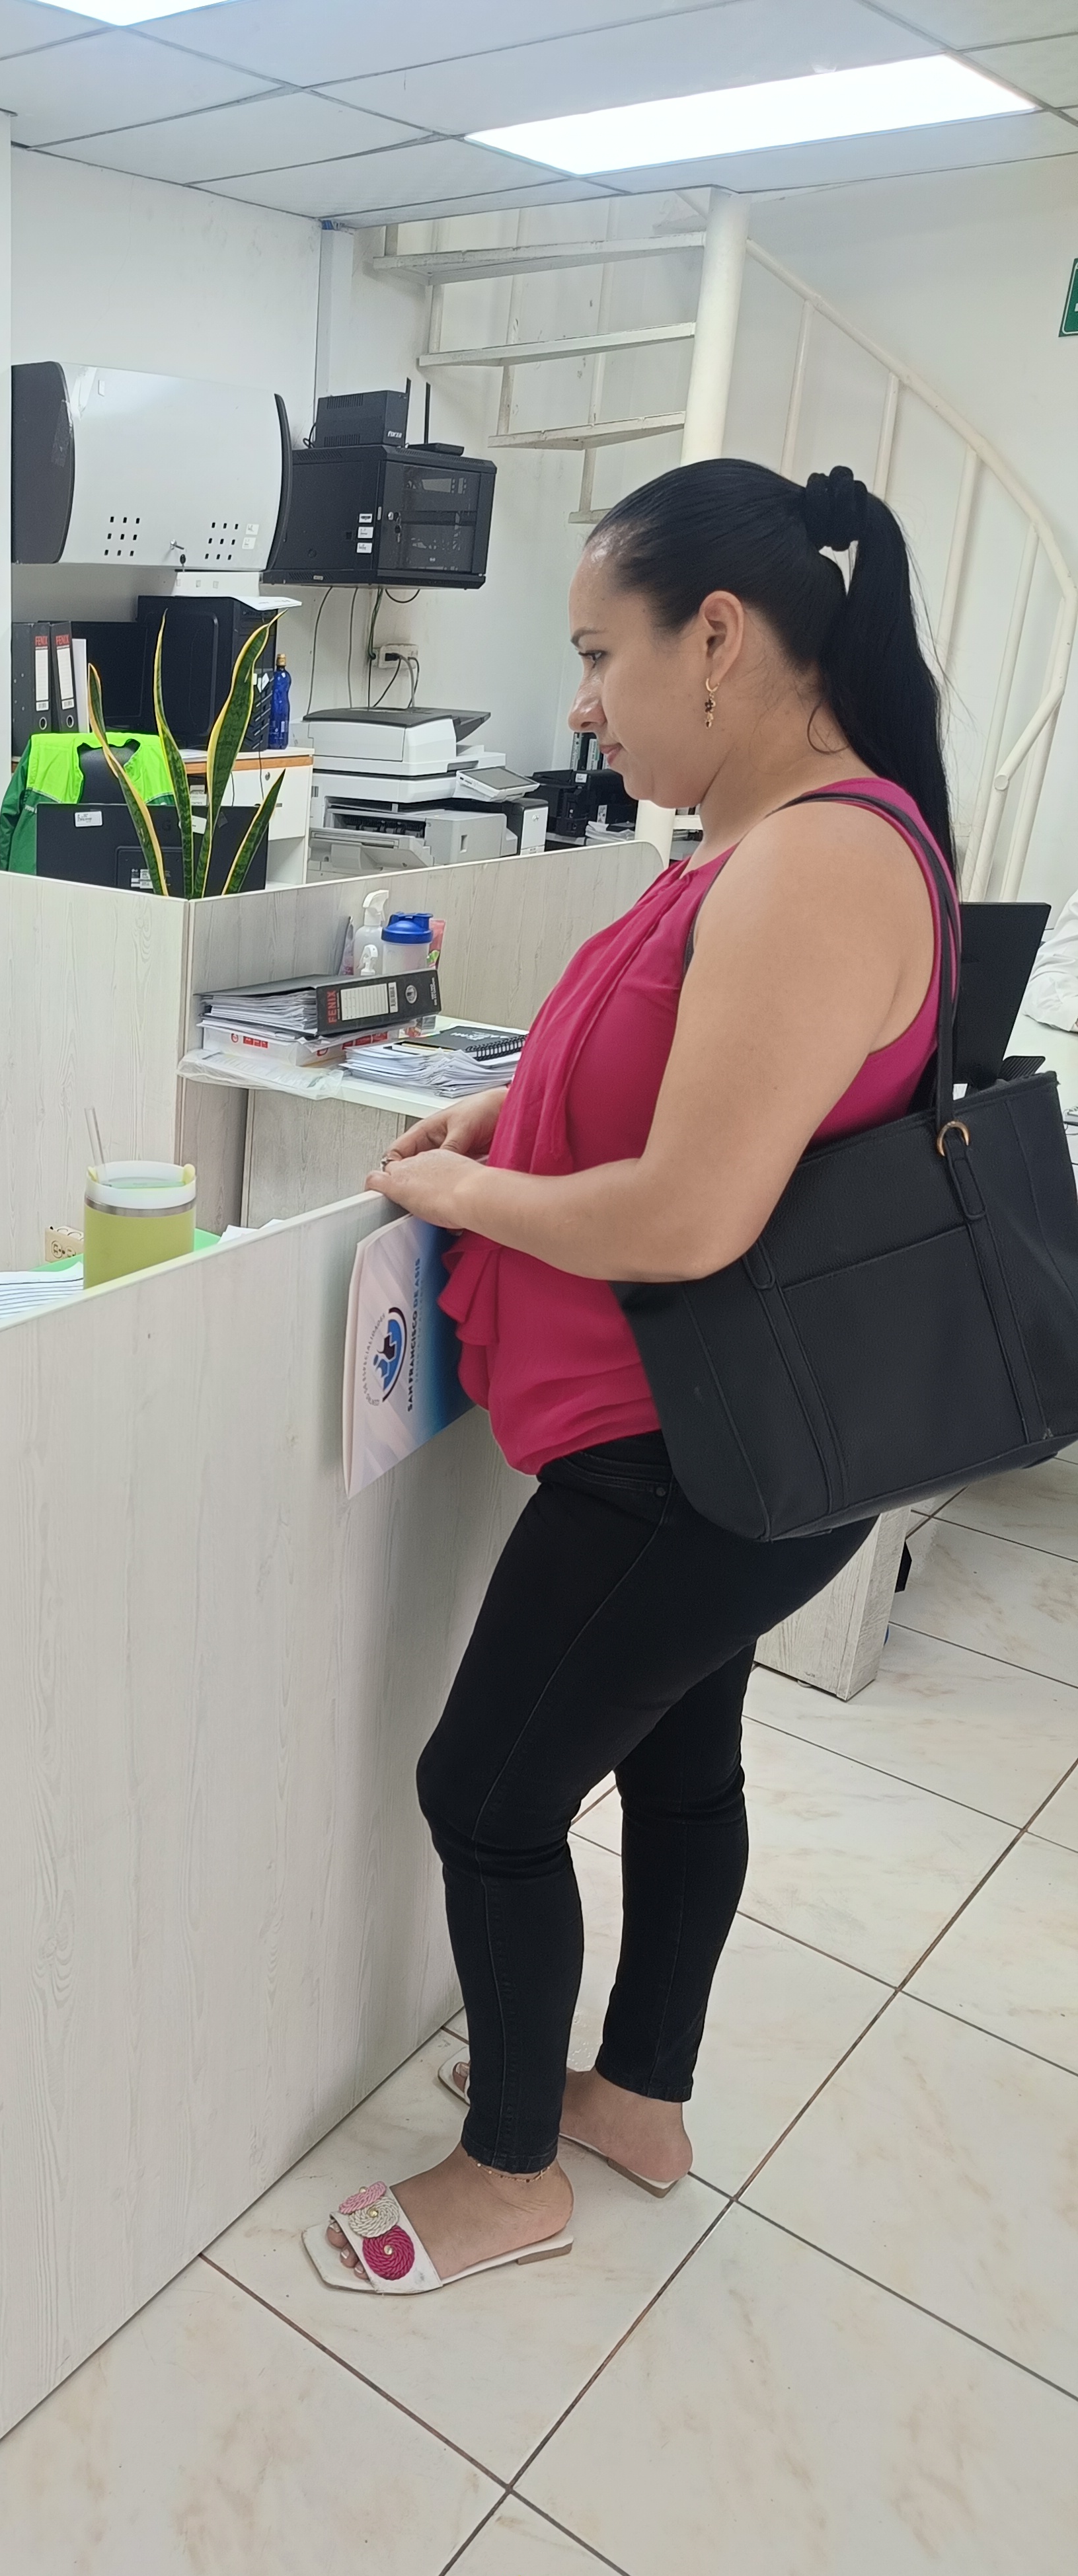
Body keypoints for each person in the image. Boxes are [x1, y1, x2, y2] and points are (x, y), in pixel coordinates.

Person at [320, 461, 950, 2296]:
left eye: (601, 655)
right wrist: (502, 1114)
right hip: (708, 1440)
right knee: (681, 1763)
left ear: (719, 639)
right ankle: (636, 2098)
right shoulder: (770, 845)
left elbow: (685, 1210)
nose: (584, 705)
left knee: (484, 1794)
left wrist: (463, 1196)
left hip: (684, 1457)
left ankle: (509, 2172)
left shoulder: (818, 859)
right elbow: (685, 1081)